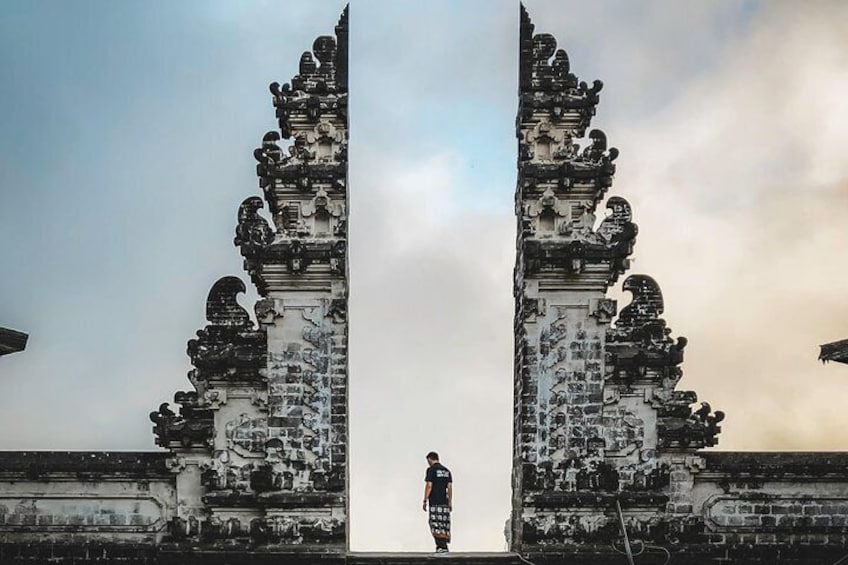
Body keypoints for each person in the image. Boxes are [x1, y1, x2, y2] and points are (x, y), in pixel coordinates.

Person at [422, 451, 452, 553]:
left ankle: (440, 546)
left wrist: (425, 499)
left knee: (435, 523)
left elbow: (429, 485)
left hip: (435, 501)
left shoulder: (431, 470)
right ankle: (444, 546)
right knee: (444, 523)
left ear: (430, 459)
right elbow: (449, 487)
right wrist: (450, 502)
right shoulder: (446, 471)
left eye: (428, 461)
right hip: (444, 501)